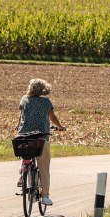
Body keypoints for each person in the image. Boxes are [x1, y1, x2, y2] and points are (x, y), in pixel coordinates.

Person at [17, 78, 66, 206]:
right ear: (44, 90)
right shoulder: (46, 102)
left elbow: (21, 116)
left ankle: (23, 173)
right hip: (41, 137)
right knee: (44, 167)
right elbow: (53, 117)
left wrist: (18, 128)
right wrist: (60, 127)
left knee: (25, 154)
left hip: (23, 135)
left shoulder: (24, 99)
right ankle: (45, 196)